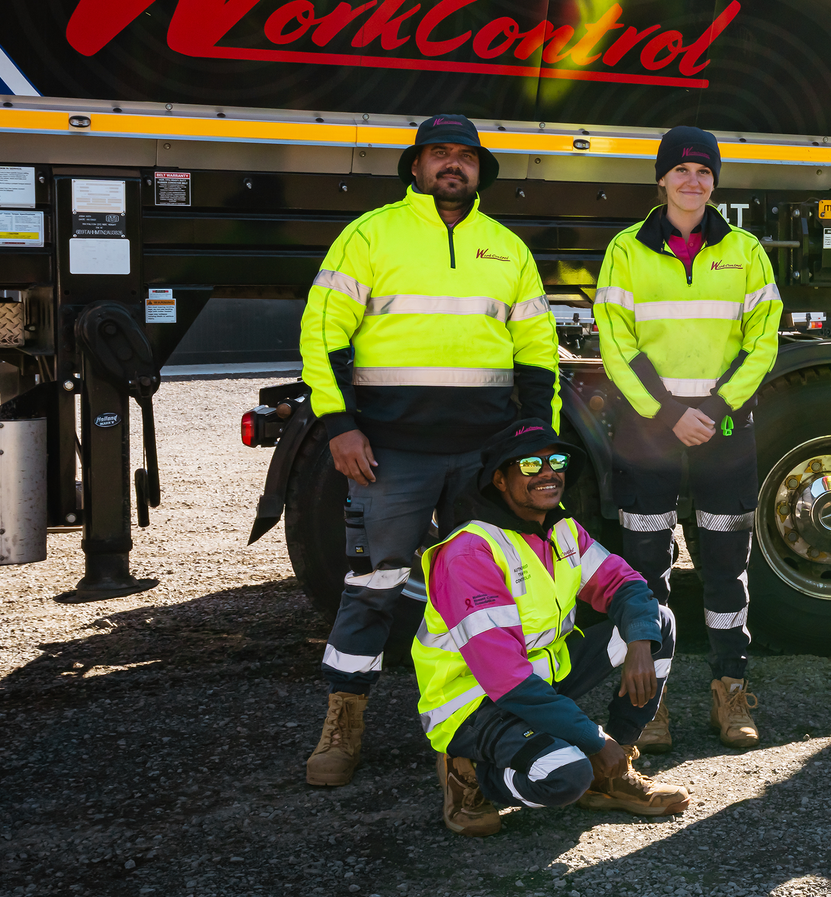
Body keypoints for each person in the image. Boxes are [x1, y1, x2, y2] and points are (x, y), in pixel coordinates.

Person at [297, 115, 560, 787]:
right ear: (414, 167)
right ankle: (343, 725)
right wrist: (339, 426)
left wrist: (534, 442)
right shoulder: (370, 236)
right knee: (374, 588)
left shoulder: (507, 249)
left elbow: (536, 356)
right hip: (393, 455)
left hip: (483, 459)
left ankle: (492, 733)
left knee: (495, 599)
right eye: (438, 154)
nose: (452, 166)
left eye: (464, 156)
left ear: (480, 170)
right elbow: (322, 336)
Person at [593, 126, 781, 752]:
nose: (693, 181)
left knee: (727, 566)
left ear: (714, 183)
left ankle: (730, 689)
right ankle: (653, 698)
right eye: (682, 170)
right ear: (661, 179)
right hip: (649, 431)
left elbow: (764, 339)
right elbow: (617, 343)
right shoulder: (625, 250)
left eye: (704, 172)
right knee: (646, 568)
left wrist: (719, 406)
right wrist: (671, 412)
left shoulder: (747, 250)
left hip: (725, 430)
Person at [413, 420, 689, 834]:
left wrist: (638, 644)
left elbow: (626, 584)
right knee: (566, 777)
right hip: (473, 704)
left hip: (539, 680)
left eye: (555, 460)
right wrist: (594, 740)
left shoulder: (561, 531)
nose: (548, 472)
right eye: (529, 464)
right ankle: (470, 774)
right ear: (500, 481)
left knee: (656, 624)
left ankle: (612, 774)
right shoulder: (470, 552)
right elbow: (505, 678)